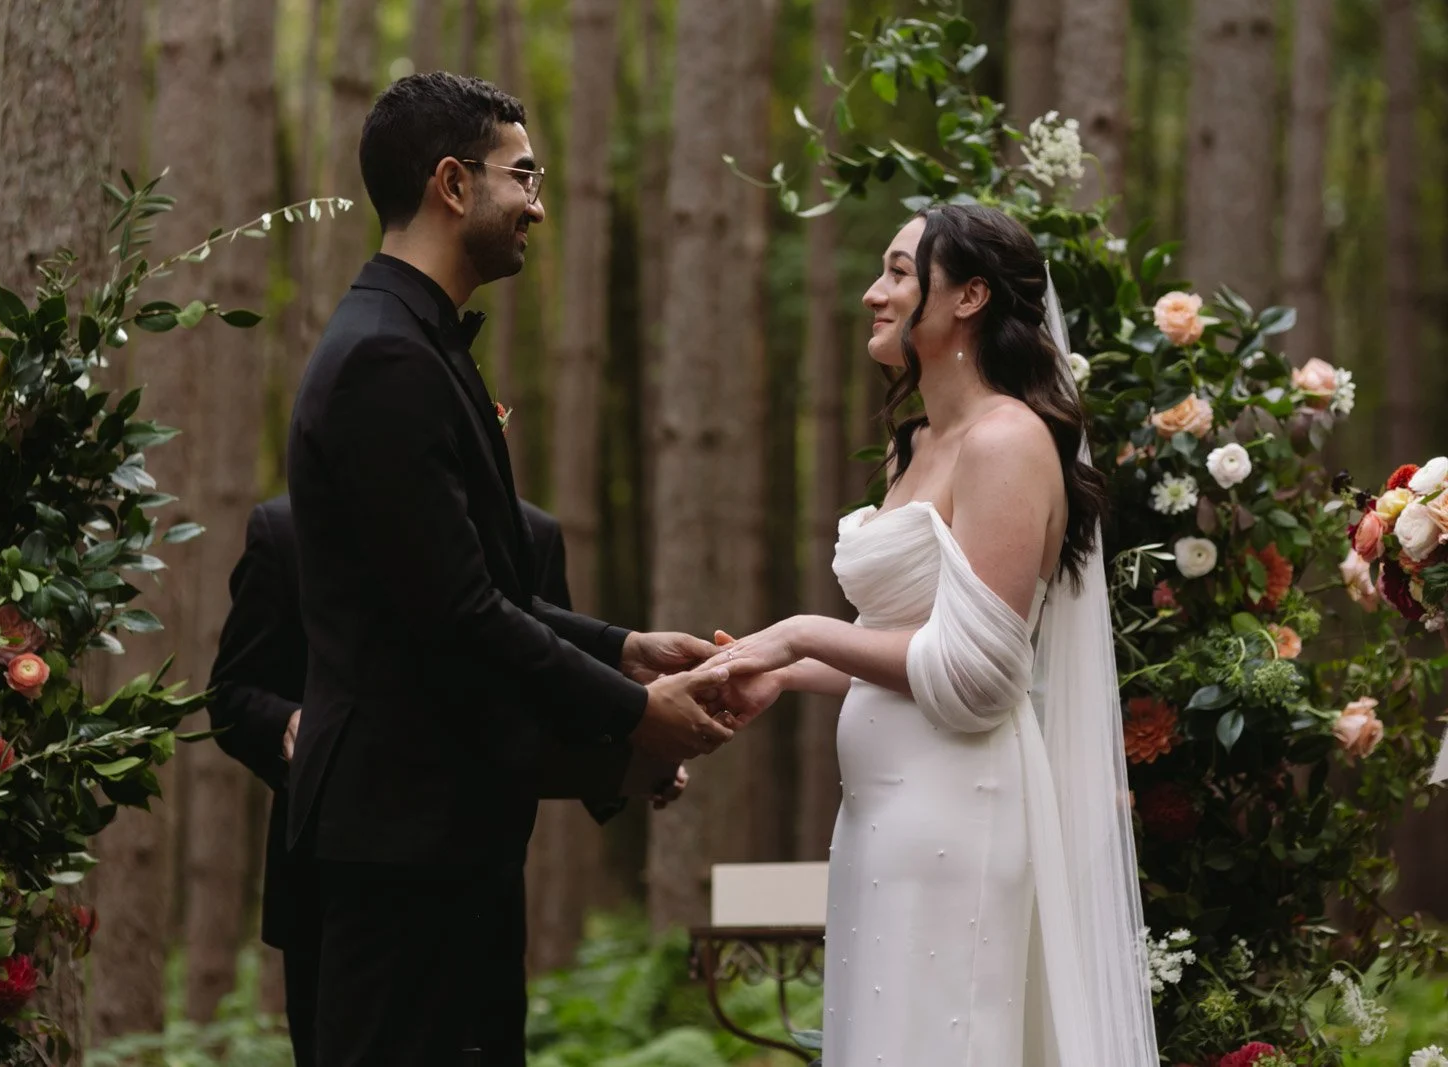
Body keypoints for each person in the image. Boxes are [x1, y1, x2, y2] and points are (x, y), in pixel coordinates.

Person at [284, 71, 732, 1067]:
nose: (538, 200)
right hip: (398, 840)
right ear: (452, 182)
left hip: (446, 832)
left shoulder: (416, 343)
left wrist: (621, 648)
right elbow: (458, 615)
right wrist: (631, 715)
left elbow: (482, 584)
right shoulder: (383, 360)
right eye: (522, 174)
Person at [711, 204, 1159, 1065]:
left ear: (970, 297)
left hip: (958, 813)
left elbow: (982, 677)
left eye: (900, 273)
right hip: (878, 819)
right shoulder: (912, 445)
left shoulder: (1007, 441)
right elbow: (914, 646)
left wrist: (802, 632)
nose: (874, 293)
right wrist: (786, 671)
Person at [207, 495, 681, 1066]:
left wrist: (636, 761)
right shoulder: (287, 530)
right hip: (329, 887)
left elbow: (559, 694)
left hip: (480, 890)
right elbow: (232, 696)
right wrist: (285, 720)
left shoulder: (531, 535)